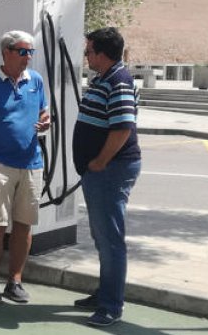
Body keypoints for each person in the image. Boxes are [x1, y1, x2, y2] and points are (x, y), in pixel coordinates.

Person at [0, 30, 51, 304]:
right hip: (0, 166)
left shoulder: (35, 81)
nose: (28, 57)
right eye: (23, 51)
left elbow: (43, 111)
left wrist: (45, 120)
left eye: (31, 52)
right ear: (6, 52)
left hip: (32, 164)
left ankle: (15, 281)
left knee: (24, 226)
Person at [73, 27, 141, 327]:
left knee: (110, 238)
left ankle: (111, 306)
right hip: (99, 171)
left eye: (88, 51)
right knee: (102, 236)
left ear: (101, 53)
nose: (86, 56)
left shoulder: (119, 81)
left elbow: (123, 126)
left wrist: (100, 161)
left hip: (110, 171)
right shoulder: (104, 78)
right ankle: (105, 292)